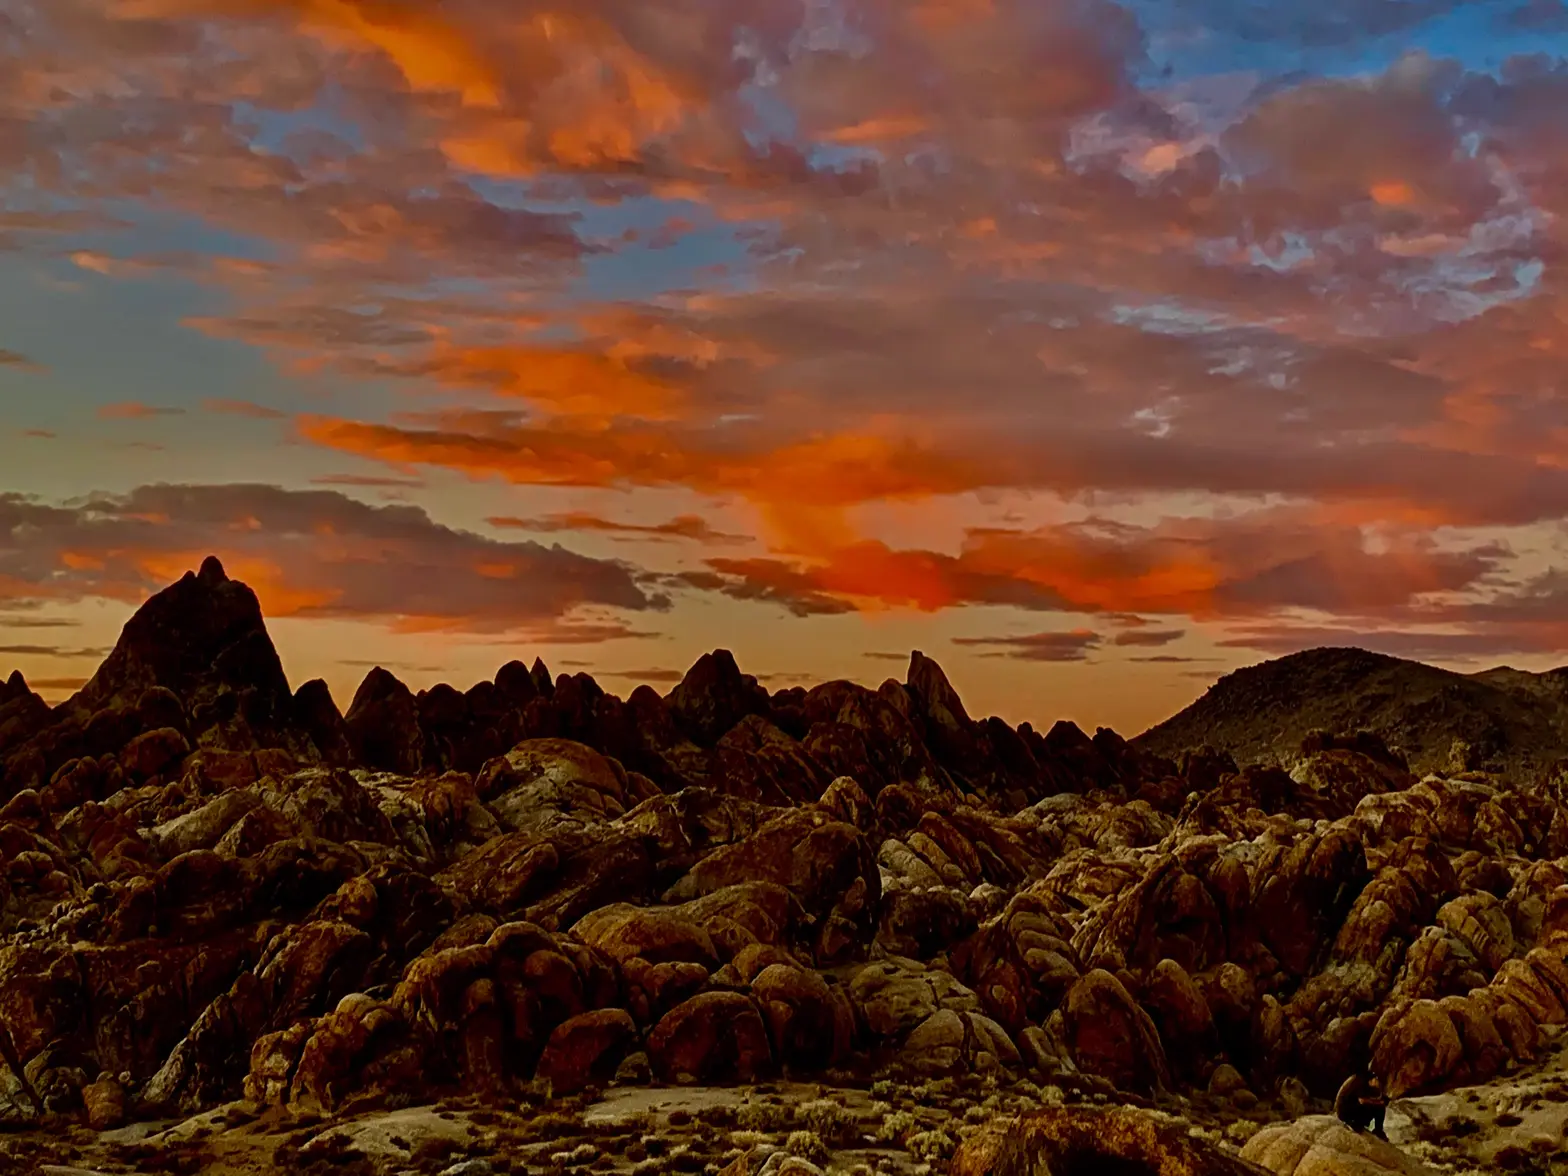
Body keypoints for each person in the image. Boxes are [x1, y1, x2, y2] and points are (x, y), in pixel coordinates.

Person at [1334, 1070, 1387, 1139]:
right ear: (1372, 1079)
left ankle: (1378, 1130)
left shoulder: (1363, 1080)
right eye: (1377, 1080)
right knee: (1379, 1108)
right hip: (1344, 1112)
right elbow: (1362, 1101)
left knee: (1379, 1107)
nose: (1378, 1083)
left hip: (1349, 1108)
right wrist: (1378, 1103)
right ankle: (1356, 1124)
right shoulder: (1361, 1082)